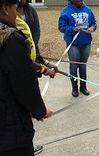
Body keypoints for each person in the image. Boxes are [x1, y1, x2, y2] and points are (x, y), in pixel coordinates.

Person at [0, 0, 52, 155]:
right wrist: (40, 111)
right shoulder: (10, 39)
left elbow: (19, 63)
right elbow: (24, 85)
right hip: (10, 129)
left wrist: (43, 66)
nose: (17, 14)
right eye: (15, 9)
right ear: (5, 8)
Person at [58, 0, 97, 97]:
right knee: (74, 66)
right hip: (73, 44)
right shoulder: (66, 11)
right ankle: (74, 87)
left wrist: (93, 27)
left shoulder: (87, 9)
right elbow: (61, 27)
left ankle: (83, 87)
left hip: (86, 43)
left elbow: (94, 22)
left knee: (83, 66)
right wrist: (73, 29)